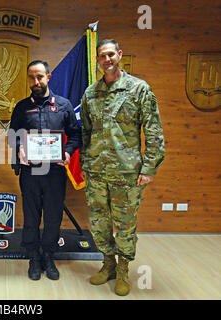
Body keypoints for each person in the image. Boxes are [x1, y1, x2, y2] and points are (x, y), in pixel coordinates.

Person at [79, 39, 165, 295]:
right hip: (96, 172)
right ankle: (108, 266)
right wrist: (84, 164)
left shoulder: (138, 89)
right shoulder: (90, 93)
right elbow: (84, 132)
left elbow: (154, 131)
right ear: (97, 60)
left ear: (119, 55)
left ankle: (124, 270)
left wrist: (149, 167)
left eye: (110, 54)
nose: (107, 59)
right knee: (99, 223)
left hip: (126, 174)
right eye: (102, 56)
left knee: (125, 224)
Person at [9, 60, 82, 280]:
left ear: (48, 77)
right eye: (31, 77)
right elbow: (13, 135)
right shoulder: (22, 107)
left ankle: (48, 256)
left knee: (52, 216)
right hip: (31, 172)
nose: (35, 81)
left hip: (54, 173)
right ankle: (33, 257)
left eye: (39, 76)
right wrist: (20, 148)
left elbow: (76, 134)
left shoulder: (63, 105)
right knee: (31, 216)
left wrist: (68, 152)